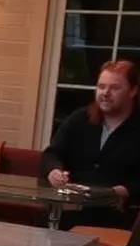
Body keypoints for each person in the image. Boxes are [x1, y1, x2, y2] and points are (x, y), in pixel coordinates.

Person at [41, 59, 140, 230]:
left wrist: (124, 190)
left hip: (115, 215)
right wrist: (53, 171)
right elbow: (51, 154)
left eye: (114, 88)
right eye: (101, 87)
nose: (105, 93)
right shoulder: (80, 119)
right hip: (69, 210)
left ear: (133, 91)